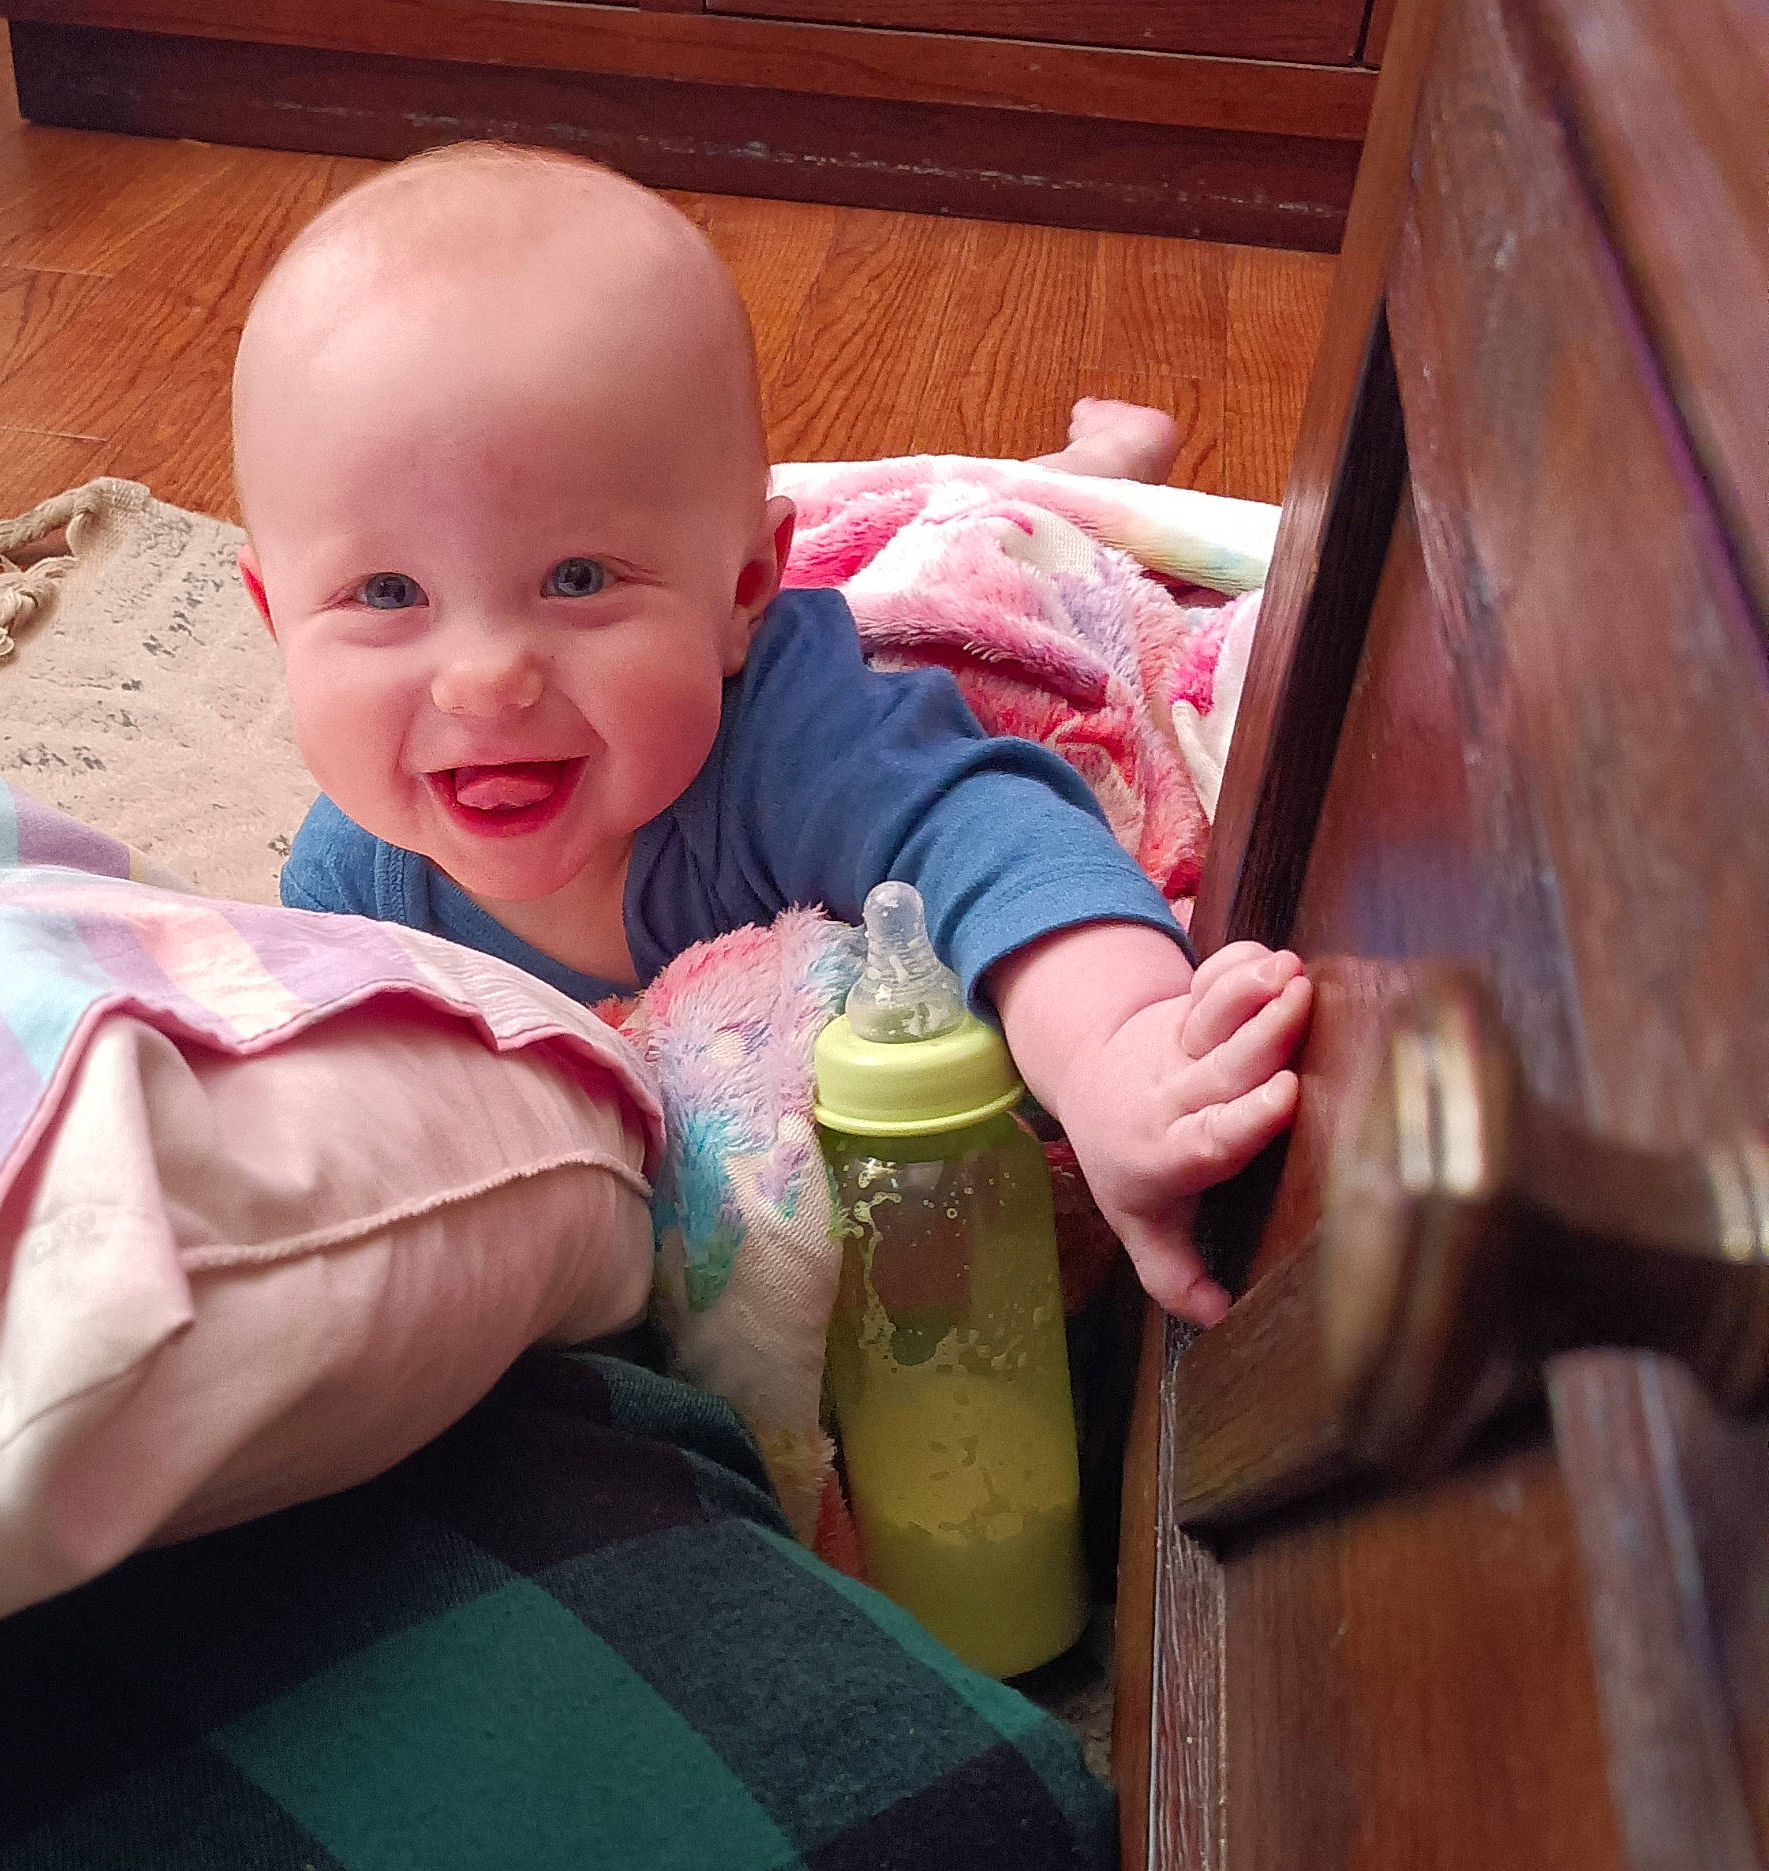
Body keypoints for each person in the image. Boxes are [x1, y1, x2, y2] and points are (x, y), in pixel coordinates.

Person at [231, 143, 1311, 1328]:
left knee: (1005, 532)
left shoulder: (798, 742)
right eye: (386, 593)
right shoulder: (346, 883)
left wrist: (1119, 1051)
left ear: (745, 591)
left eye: (577, 577)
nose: (486, 678)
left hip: (920, 623)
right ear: (274, 615)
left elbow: (992, 830)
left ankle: (1091, 473)